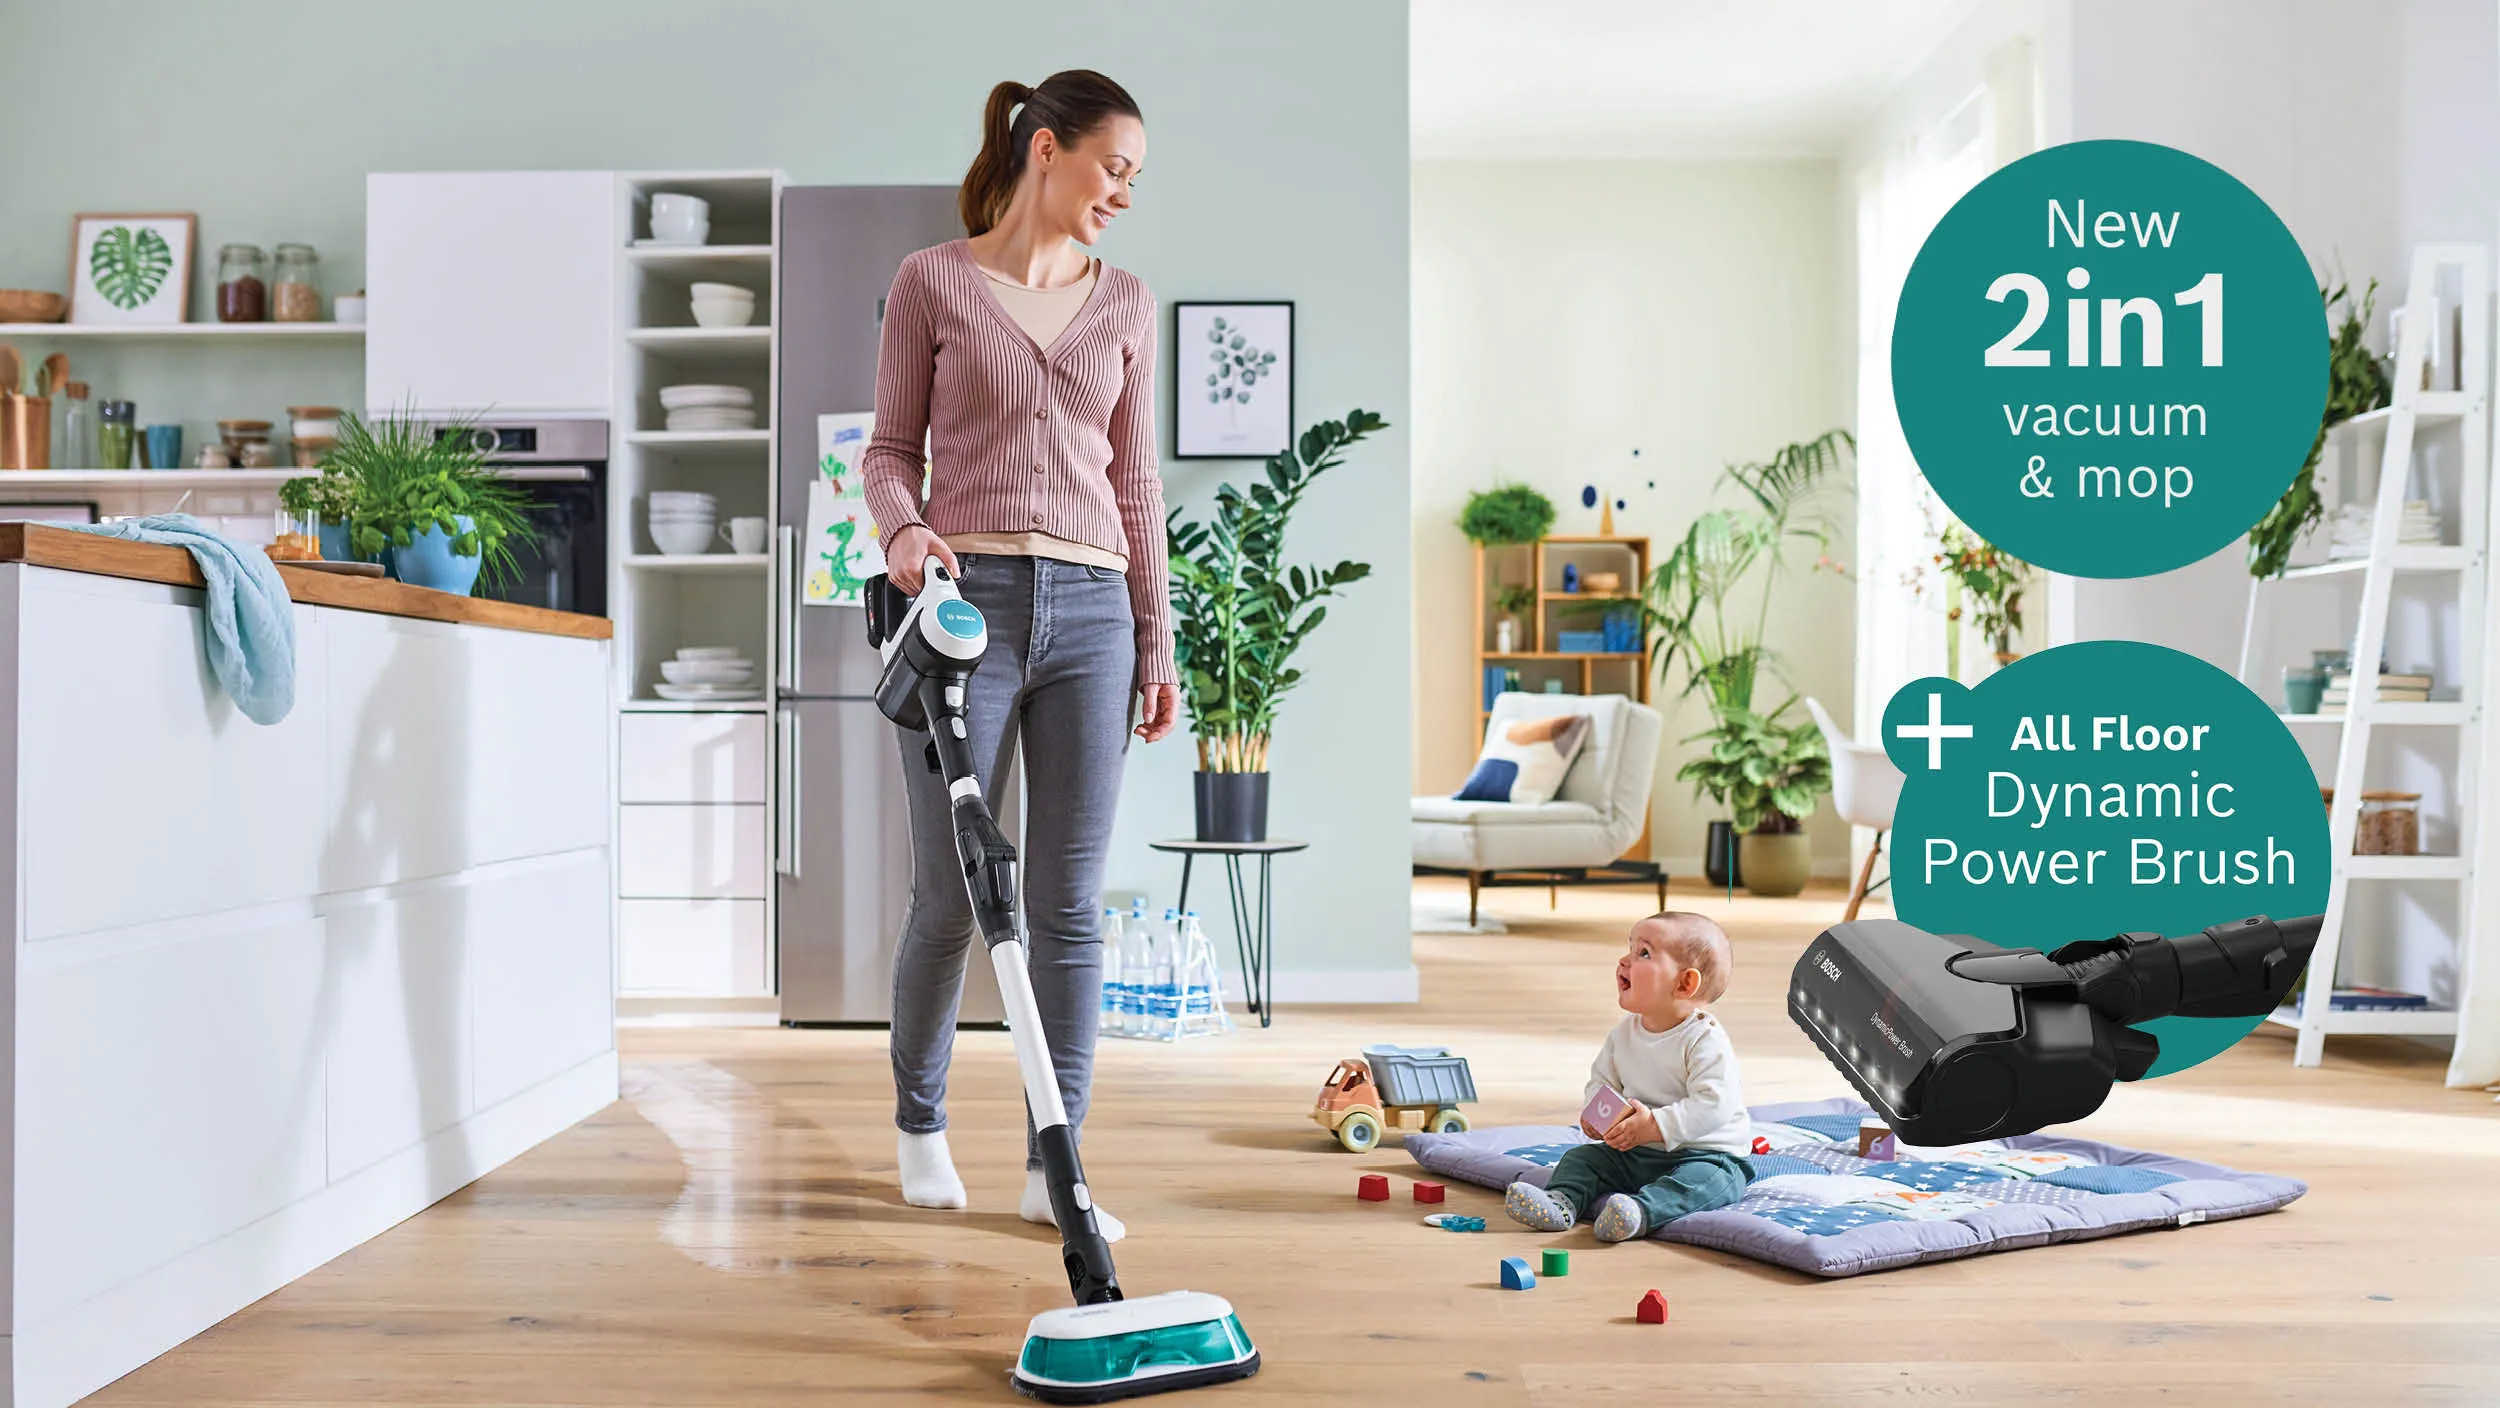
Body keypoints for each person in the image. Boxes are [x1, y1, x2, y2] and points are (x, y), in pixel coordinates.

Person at [862, 69, 1175, 1244]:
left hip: (1094, 614)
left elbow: (1137, 485)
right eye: (1113, 168)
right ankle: (919, 1120)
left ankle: (1058, 1162)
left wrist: (1157, 639)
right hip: (965, 607)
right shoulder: (932, 281)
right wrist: (904, 531)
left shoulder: (1126, 303)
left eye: (1134, 177)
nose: (1124, 193)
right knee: (952, 894)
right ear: (1048, 149)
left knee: (1068, 904)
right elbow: (888, 450)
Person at [1502, 912, 1755, 1242]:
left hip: (1705, 1153)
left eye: (1643, 953)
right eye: (1630, 948)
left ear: (1684, 984)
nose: (1624, 960)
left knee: (1709, 1182)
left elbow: (1714, 1104)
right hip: (1636, 1151)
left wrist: (1655, 1126)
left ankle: (1638, 1213)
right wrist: (1598, 1116)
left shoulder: (1704, 1039)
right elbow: (1602, 1082)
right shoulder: (1623, 1034)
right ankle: (1561, 1202)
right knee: (1583, 1158)